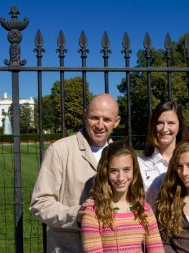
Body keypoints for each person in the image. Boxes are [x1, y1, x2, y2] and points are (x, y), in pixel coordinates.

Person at [29, 93, 121, 253]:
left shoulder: (121, 156)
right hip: (69, 247)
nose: (100, 125)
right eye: (94, 118)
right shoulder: (60, 150)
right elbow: (40, 203)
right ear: (85, 116)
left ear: (116, 122)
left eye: (107, 119)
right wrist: (76, 215)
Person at [81, 141, 164, 252]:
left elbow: (156, 248)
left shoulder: (143, 209)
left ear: (134, 171)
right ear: (105, 172)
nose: (121, 177)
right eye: (114, 171)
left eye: (126, 169)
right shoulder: (93, 212)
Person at [138, 100, 189, 193]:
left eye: (171, 123)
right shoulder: (140, 163)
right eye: (160, 123)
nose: (165, 129)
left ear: (180, 126)